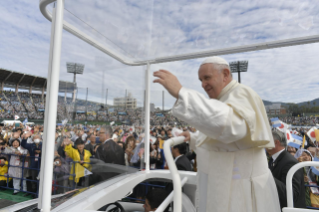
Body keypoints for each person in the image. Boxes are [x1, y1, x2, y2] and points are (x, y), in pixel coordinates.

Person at [153, 56, 280, 211]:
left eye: (207, 78)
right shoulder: (224, 98)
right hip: (225, 186)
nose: (203, 84)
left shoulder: (242, 93)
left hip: (239, 192)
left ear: (225, 74)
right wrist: (193, 138)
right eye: (200, 80)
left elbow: (231, 127)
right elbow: (223, 141)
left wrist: (182, 93)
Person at [267, 130, 305, 209]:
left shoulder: (290, 162)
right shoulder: (273, 159)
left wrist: (267, 175)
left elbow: (292, 194)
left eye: (267, 140)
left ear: (276, 143)